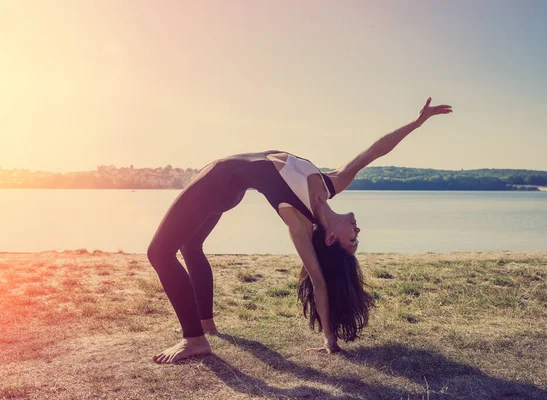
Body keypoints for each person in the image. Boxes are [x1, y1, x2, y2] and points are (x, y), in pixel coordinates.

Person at [147, 97, 452, 363]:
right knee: (190, 247)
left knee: (159, 253)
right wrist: (417, 123)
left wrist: (329, 338)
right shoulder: (333, 184)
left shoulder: (298, 221)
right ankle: (205, 324)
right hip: (227, 186)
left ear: (331, 238)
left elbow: (319, 284)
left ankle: (194, 339)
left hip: (220, 181)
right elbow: (374, 153)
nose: (358, 230)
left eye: (354, 239)